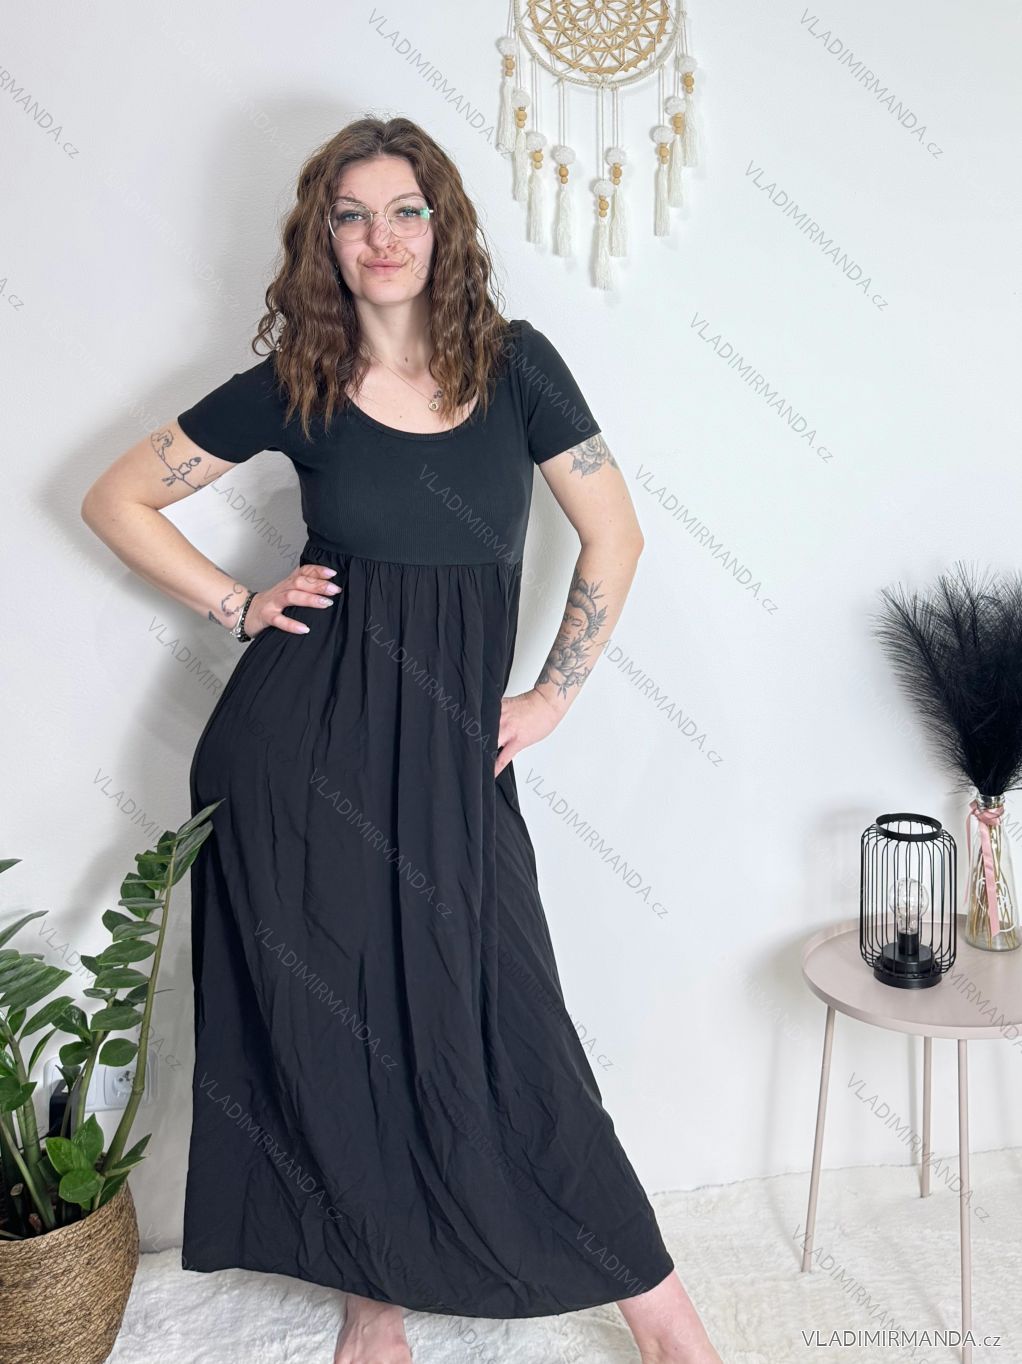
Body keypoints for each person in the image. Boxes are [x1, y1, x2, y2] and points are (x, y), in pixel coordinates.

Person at [80, 116, 723, 1364]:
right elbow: (117, 497)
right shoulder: (296, 380)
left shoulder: (517, 366)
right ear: (323, 236)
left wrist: (550, 696)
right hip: (296, 752)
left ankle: (661, 1311)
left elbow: (615, 535)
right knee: (326, 1021)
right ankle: (368, 1293)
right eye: (353, 215)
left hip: (449, 755)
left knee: (513, 1012)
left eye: (405, 210)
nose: (381, 237)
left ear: (442, 226)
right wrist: (238, 602)